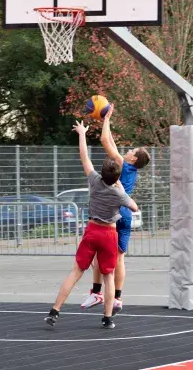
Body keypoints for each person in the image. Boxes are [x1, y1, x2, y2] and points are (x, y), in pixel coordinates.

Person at [45, 120, 139, 329]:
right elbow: (134, 207)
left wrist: (82, 133)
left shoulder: (95, 181)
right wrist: (121, 188)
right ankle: (107, 318)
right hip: (109, 234)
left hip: (92, 230)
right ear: (117, 177)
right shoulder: (119, 192)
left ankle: (55, 311)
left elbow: (84, 157)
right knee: (109, 276)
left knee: (76, 271)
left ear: (102, 172)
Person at [80, 105, 150, 315]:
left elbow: (104, 140)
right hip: (126, 213)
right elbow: (109, 140)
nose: (128, 150)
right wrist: (106, 122)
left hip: (114, 213)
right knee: (119, 258)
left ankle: (96, 292)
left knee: (99, 255)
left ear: (133, 159)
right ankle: (117, 298)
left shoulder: (121, 162)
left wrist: (107, 118)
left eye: (132, 151)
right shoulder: (129, 167)